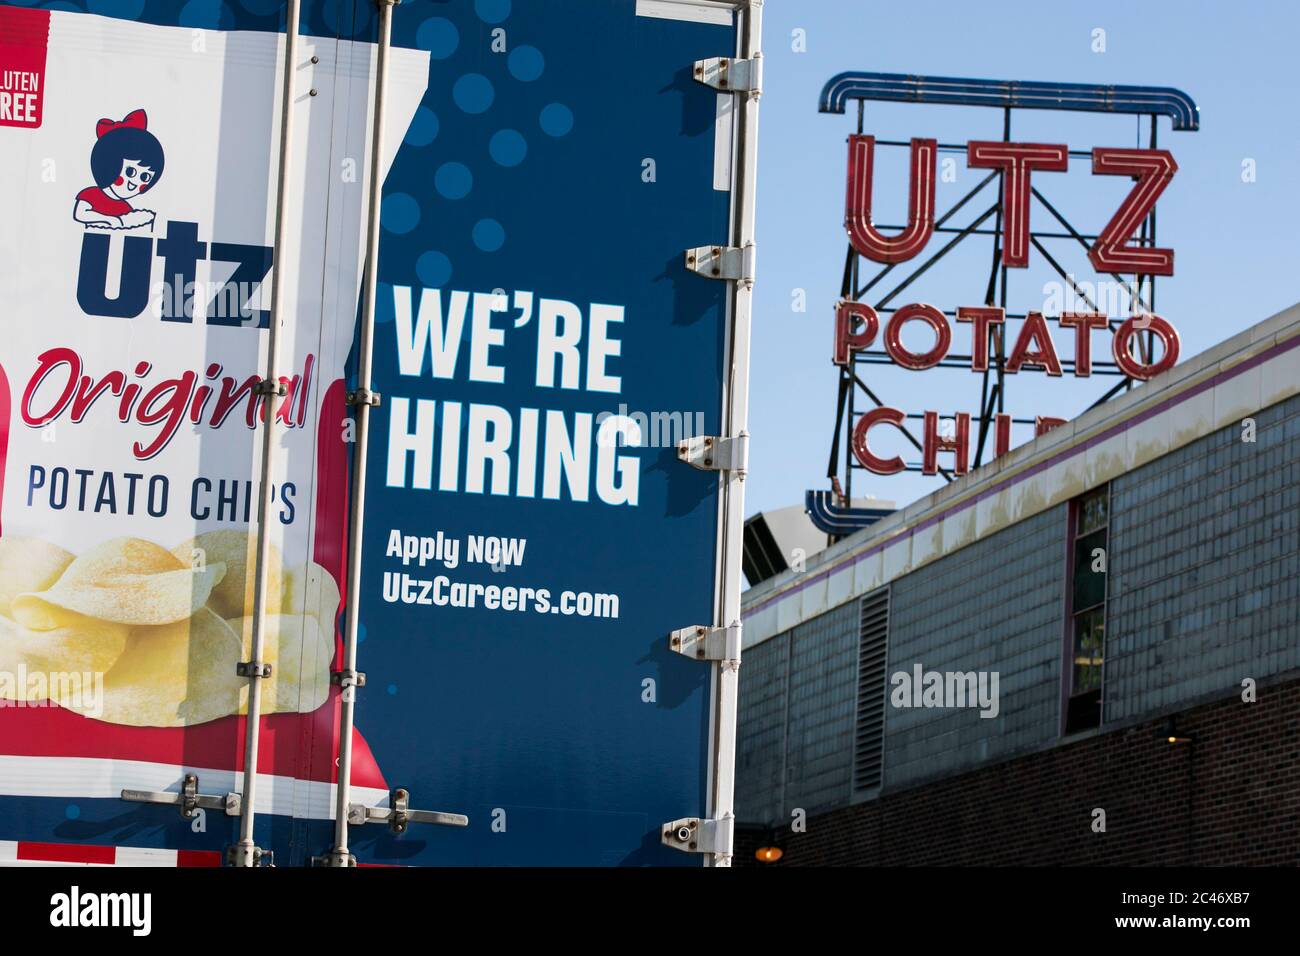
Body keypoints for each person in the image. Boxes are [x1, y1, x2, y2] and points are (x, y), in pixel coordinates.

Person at [72, 109, 165, 231]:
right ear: (109, 166)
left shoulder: (125, 208)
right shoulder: (91, 195)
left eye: (145, 177)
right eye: (130, 172)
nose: (134, 182)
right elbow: (80, 214)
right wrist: (111, 220)